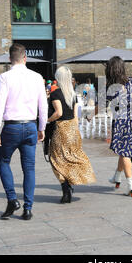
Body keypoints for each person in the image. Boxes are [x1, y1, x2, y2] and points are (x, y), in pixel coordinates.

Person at [0, 43, 48, 220]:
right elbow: (43, 106)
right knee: (29, 168)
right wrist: (42, 127)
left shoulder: (5, 77)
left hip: (12, 126)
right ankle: (28, 208)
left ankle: (12, 199)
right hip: (31, 125)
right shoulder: (37, 77)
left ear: (10, 59)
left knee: (3, 161)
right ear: (25, 58)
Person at [47, 66, 96, 203]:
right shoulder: (73, 95)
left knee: (56, 159)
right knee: (70, 158)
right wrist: (76, 131)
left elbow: (59, 113)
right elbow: (76, 115)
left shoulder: (55, 94)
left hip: (61, 129)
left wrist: (47, 120)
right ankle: (71, 184)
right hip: (73, 129)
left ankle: (65, 188)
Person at [107, 56, 132, 197]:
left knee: (124, 153)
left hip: (120, 123)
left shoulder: (111, 87)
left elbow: (101, 103)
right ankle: (117, 177)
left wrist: (89, 116)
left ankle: (131, 186)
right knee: (124, 151)